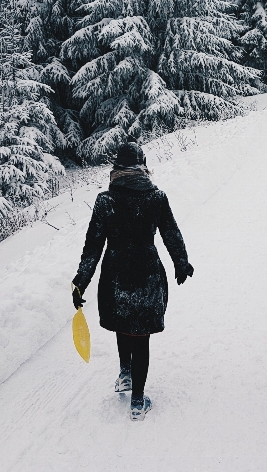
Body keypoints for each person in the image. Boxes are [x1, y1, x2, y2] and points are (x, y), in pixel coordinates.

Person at [72, 142, 194, 421]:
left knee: (123, 324)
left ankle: (125, 374)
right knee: (141, 335)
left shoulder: (105, 200)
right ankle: (137, 400)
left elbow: (93, 247)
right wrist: (181, 262)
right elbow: (170, 233)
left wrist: (81, 281)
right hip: (147, 272)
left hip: (115, 273)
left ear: (116, 168)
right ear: (143, 167)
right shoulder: (156, 197)